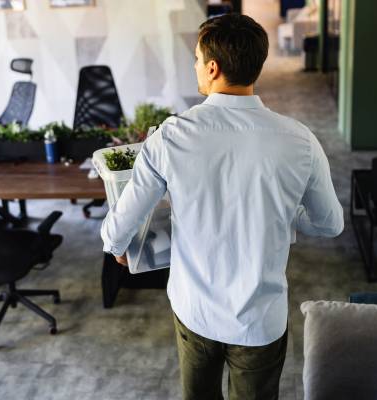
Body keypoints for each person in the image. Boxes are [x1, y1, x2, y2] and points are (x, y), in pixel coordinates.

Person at [100, 13, 343, 400]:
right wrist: (285, 213)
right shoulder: (300, 140)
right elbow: (330, 224)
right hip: (260, 321)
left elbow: (124, 219)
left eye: (197, 59)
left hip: (195, 310)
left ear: (213, 68)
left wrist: (116, 248)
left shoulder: (170, 137)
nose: (195, 66)